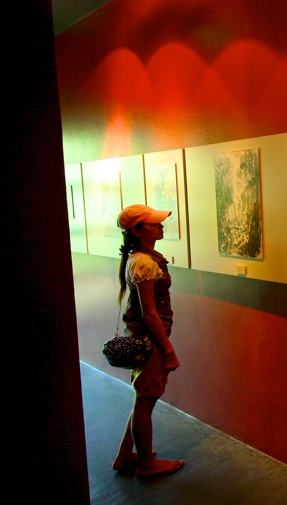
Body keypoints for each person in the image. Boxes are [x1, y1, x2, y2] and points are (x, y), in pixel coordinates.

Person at [112, 204, 185, 477]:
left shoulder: (143, 258)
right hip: (150, 340)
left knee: (142, 398)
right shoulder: (143, 262)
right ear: (137, 230)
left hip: (146, 338)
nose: (160, 226)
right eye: (154, 223)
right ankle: (146, 464)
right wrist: (168, 350)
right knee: (146, 401)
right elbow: (150, 314)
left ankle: (124, 456)